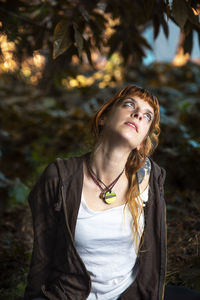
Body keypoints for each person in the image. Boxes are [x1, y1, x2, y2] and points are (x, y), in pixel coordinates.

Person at [24, 85, 199, 300]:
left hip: (131, 295)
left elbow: (153, 264)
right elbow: (42, 256)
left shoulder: (150, 179)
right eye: (129, 105)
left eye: (147, 116)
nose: (138, 114)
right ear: (103, 118)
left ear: (142, 142)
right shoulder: (60, 178)